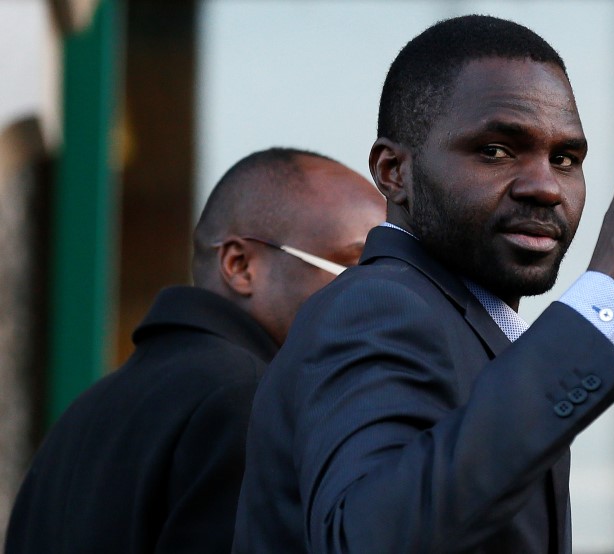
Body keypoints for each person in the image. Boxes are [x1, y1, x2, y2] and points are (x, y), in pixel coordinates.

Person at [233, 15, 614, 554]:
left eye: (565, 159)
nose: (545, 187)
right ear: (393, 171)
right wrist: (603, 297)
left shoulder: (469, 328)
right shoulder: (377, 305)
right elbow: (365, 539)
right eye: (496, 151)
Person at [5, 148, 386, 553]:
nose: (384, 294)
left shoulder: (84, 415)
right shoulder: (253, 402)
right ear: (239, 265)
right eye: (356, 267)